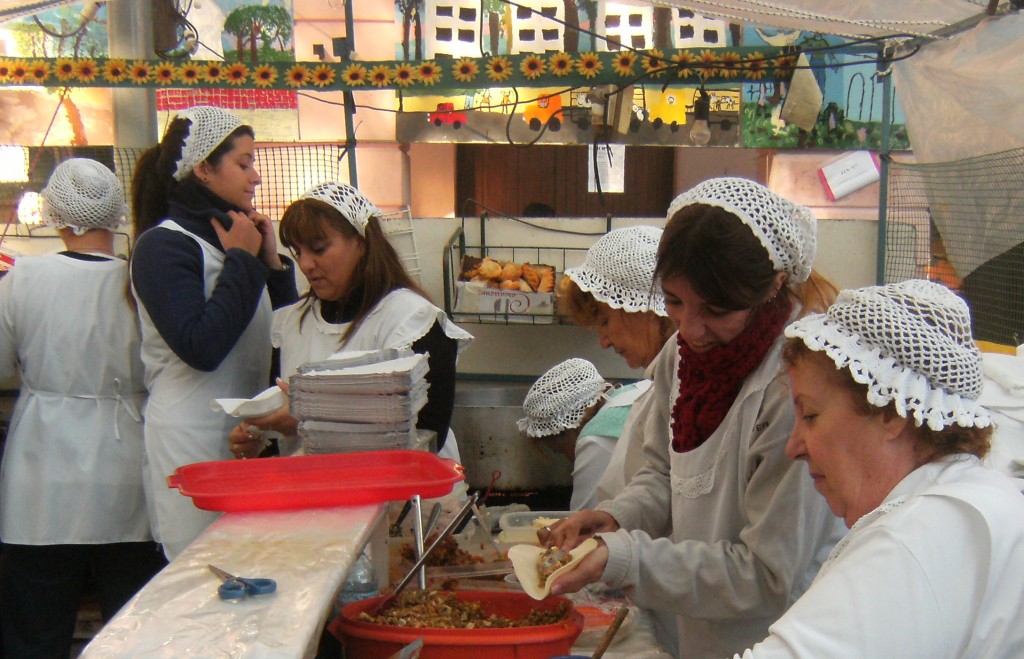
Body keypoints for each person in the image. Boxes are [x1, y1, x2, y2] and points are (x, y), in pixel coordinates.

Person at [541, 177, 844, 658]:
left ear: (773, 285)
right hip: (700, 633)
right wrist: (616, 518)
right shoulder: (681, 357)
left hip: (778, 639)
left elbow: (768, 576)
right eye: (675, 302)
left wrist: (626, 559)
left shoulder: (793, 389)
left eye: (716, 310)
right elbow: (665, 471)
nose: (690, 328)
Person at [736, 279, 1024, 658]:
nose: (793, 447)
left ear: (890, 413)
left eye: (810, 414)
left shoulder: (919, 534)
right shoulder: (975, 497)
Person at [0, 158, 166, 657]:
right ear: (116, 216)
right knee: (131, 634)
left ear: (54, 214)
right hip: (128, 474)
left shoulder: (23, 279)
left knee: (36, 634)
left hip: (41, 482)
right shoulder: (143, 282)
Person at [130, 105, 297, 560]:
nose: (256, 176)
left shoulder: (237, 240)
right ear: (203, 167)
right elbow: (201, 347)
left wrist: (274, 265)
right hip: (191, 442)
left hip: (249, 437)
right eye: (243, 163)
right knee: (201, 577)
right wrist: (242, 261)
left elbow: (288, 338)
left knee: (256, 571)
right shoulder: (163, 245)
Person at [227, 181, 472, 460]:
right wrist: (257, 439)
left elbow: (428, 433)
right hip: (317, 496)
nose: (306, 264)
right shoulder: (291, 324)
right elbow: (281, 442)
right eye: (298, 252)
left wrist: (308, 420)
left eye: (318, 248)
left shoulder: (412, 320)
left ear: (361, 243)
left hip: (405, 497)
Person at [558, 225, 676, 503]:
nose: (604, 342)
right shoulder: (660, 389)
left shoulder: (682, 389)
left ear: (641, 308)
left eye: (604, 321)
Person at [517, 358, 617, 510]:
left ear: (569, 429)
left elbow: (582, 522)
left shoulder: (595, 442)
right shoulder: (620, 399)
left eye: (561, 451)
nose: (569, 459)